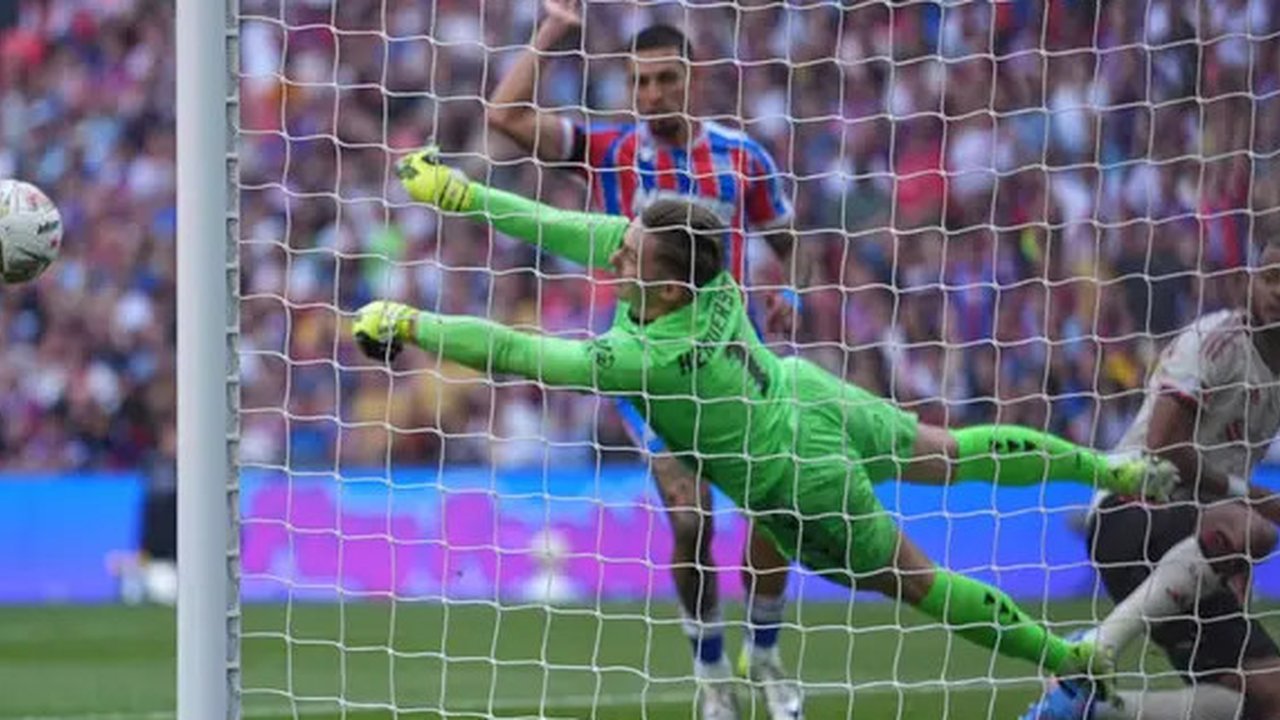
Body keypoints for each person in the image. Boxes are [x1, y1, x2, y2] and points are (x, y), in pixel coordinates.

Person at [354, 151, 1180, 698]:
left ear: (668, 288)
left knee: (921, 582)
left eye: (631, 257)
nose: (617, 256)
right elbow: (569, 229)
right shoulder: (706, 276)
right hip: (808, 394)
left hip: (798, 485)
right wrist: (464, 195)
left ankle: (1069, 660)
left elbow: (515, 351)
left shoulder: (646, 359)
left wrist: (411, 322)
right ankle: (1115, 472)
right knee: (951, 451)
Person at [485, 3, 807, 715]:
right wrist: (552, 32)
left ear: (692, 80)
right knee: (691, 521)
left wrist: (787, 290)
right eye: (640, 83)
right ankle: (712, 675)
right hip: (649, 368)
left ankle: (767, 652)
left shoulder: (742, 158)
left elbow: (784, 237)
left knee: (776, 515)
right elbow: (503, 118)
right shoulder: (609, 152)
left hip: (736, 361)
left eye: (665, 79)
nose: (653, 94)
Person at [1022, 244, 1280, 720]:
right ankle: (1095, 648)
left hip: (1192, 544)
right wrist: (1257, 500)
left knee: (1266, 699)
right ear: (1251, 280)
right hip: (1132, 510)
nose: (1276, 292)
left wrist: (1231, 578)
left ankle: (1091, 713)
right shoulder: (1221, 340)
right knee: (1259, 527)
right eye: (1270, 278)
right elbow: (1163, 448)